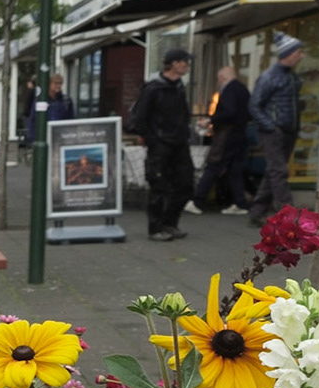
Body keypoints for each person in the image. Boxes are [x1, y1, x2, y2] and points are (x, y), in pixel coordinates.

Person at [130, 47, 194, 242]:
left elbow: (183, 114)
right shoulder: (153, 88)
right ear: (173, 64)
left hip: (179, 144)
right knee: (159, 187)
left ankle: (170, 223)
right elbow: (139, 119)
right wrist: (153, 141)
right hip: (161, 145)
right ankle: (156, 228)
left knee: (186, 184)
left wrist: (185, 131)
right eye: (184, 62)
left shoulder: (179, 87)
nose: (187, 65)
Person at [247, 32, 306, 225]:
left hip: (287, 129)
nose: (302, 56)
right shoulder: (269, 77)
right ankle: (287, 215)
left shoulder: (292, 77)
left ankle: (257, 211)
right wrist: (270, 127)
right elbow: (254, 105)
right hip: (275, 131)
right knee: (279, 171)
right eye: (299, 52)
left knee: (273, 170)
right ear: (288, 54)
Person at [190, 64, 252, 216]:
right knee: (234, 170)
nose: (219, 83)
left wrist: (210, 120)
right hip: (240, 133)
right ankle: (240, 203)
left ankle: (197, 201)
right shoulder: (243, 90)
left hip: (226, 135)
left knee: (213, 165)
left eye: (219, 79)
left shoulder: (229, 90)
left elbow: (228, 112)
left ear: (223, 78)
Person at [26, 72, 74, 139]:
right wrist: (33, 138)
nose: (58, 86)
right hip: (44, 136)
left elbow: (70, 120)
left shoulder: (66, 101)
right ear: (49, 84)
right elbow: (33, 119)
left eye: (60, 83)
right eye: (56, 83)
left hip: (60, 137)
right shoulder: (41, 100)